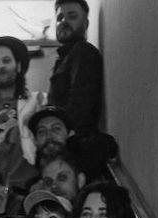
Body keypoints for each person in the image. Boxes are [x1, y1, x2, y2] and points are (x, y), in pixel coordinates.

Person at [48, 2, 117, 179]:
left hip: (76, 158)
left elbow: (79, 109)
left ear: (86, 24)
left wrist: (60, 145)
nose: (63, 22)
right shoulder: (65, 58)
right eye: (60, 18)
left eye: (72, 16)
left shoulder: (83, 53)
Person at [0, 35, 45, 195]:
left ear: (18, 66)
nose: (1, 66)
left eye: (6, 61)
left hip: (29, 189)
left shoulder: (39, 101)